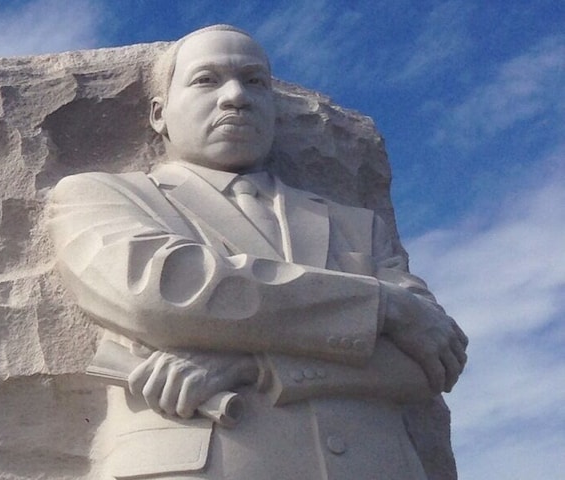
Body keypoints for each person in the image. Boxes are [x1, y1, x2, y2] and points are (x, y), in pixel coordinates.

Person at [45, 25, 467, 479]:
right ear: (158, 113)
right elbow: (162, 293)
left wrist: (256, 365)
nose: (236, 97)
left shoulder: (356, 227)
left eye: (255, 82)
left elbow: (430, 362)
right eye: (207, 79)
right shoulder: (101, 197)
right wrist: (381, 306)